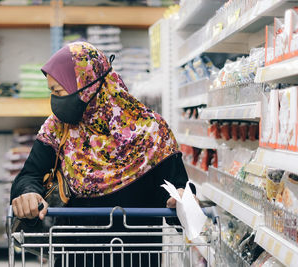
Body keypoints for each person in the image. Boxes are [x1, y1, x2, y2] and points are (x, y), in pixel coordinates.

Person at [10, 42, 195, 266]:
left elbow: (178, 190)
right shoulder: (59, 129)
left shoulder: (151, 131)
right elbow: (29, 175)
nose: (55, 102)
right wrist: (29, 193)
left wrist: (183, 200)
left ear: (89, 86)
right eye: (52, 92)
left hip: (136, 257)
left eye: (59, 92)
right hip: (73, 257)